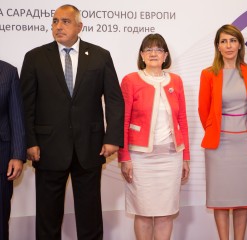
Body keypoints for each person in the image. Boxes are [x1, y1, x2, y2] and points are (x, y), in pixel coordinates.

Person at [20, 5, 124, 240]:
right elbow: (26, 106)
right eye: (55, 21)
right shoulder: (35, 57)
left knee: (90, 219)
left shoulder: (100, 55)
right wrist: (30, 141)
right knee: (48, 219)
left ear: (79, 26)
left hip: (90, 146)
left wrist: (113, 138)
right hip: (47, 149)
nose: (58, 26)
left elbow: (115, 100)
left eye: (65, 21)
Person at [119, 33, 190, 240]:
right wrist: (125, 157)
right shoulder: (130, 80)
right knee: (142, 213)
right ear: (141, 55)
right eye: (148, 49)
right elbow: (122, 121)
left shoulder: (176, 81)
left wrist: (185, 157)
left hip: (170, 158)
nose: (153, 53)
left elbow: (183, 120)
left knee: (166, 214)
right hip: (140, 160)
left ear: (165, 55)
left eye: (158, 49)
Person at [198, 24, 247, 240]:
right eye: (224, 41)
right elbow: (203, 109)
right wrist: (215, 129)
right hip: (219, 144)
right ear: (217, 46)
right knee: (221, 199)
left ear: (240, 44)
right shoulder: (208, 74)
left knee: (243, 198)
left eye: (233, 40)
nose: (229, 45)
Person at [0, 60, 26, 240]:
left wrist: (17, 155)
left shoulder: (8, 71)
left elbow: (16, 114)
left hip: (2, 154)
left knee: (1, 213)